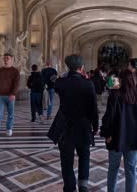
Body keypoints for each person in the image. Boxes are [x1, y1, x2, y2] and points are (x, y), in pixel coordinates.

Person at [55, 54, 98, 192]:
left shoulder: (61, 83)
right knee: (84, 156)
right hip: (84, 126)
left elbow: (52, 82)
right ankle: (83, 186)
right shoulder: (88, 84)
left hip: (65, 126)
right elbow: (93, 108)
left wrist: (63, 76)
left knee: (66, 161)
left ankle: (69, 187)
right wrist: (95, 126)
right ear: (81, 68)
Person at [101, 70, 137, 192]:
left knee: (113, 168)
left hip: (116, 138)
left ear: (122, 81)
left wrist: (107, 134)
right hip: (133, 139)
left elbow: (108, 118)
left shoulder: (115, 96)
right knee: (131, 169)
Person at [0, 53, 20, 141]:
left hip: (10, 96)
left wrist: (13, 94)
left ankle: (9, 128)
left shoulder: (15, 71)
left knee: (10, 114)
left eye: (7, 58)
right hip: (0, 96)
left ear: (12, 59)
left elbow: (16, 84)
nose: (6, 60)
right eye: (5, 58)